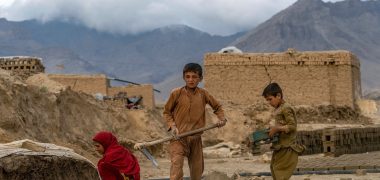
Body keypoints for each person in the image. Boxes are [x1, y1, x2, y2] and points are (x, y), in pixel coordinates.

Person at [163, 63, 227, 180]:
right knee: (176, 170)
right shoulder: (176, 93)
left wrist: (221, 119)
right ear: (183, 78)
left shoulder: (204, 94)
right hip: (178, 138)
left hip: (196, 139)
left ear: (200, 79)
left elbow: (217, 107)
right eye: (187, 77)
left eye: (194, 77)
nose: (191, 80)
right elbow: (167, 112)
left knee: (197, 173)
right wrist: (172, 126)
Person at [262, 82, 303, 180]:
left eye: (270, 99)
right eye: (267, 100)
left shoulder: (286, 108)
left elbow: (292, 126)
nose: (269, 102)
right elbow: (282, 124)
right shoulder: (279, 108)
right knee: (274, 169)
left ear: (279, 96)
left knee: (280, 172)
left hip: (288, 147)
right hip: (280, 147)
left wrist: (276, 129)